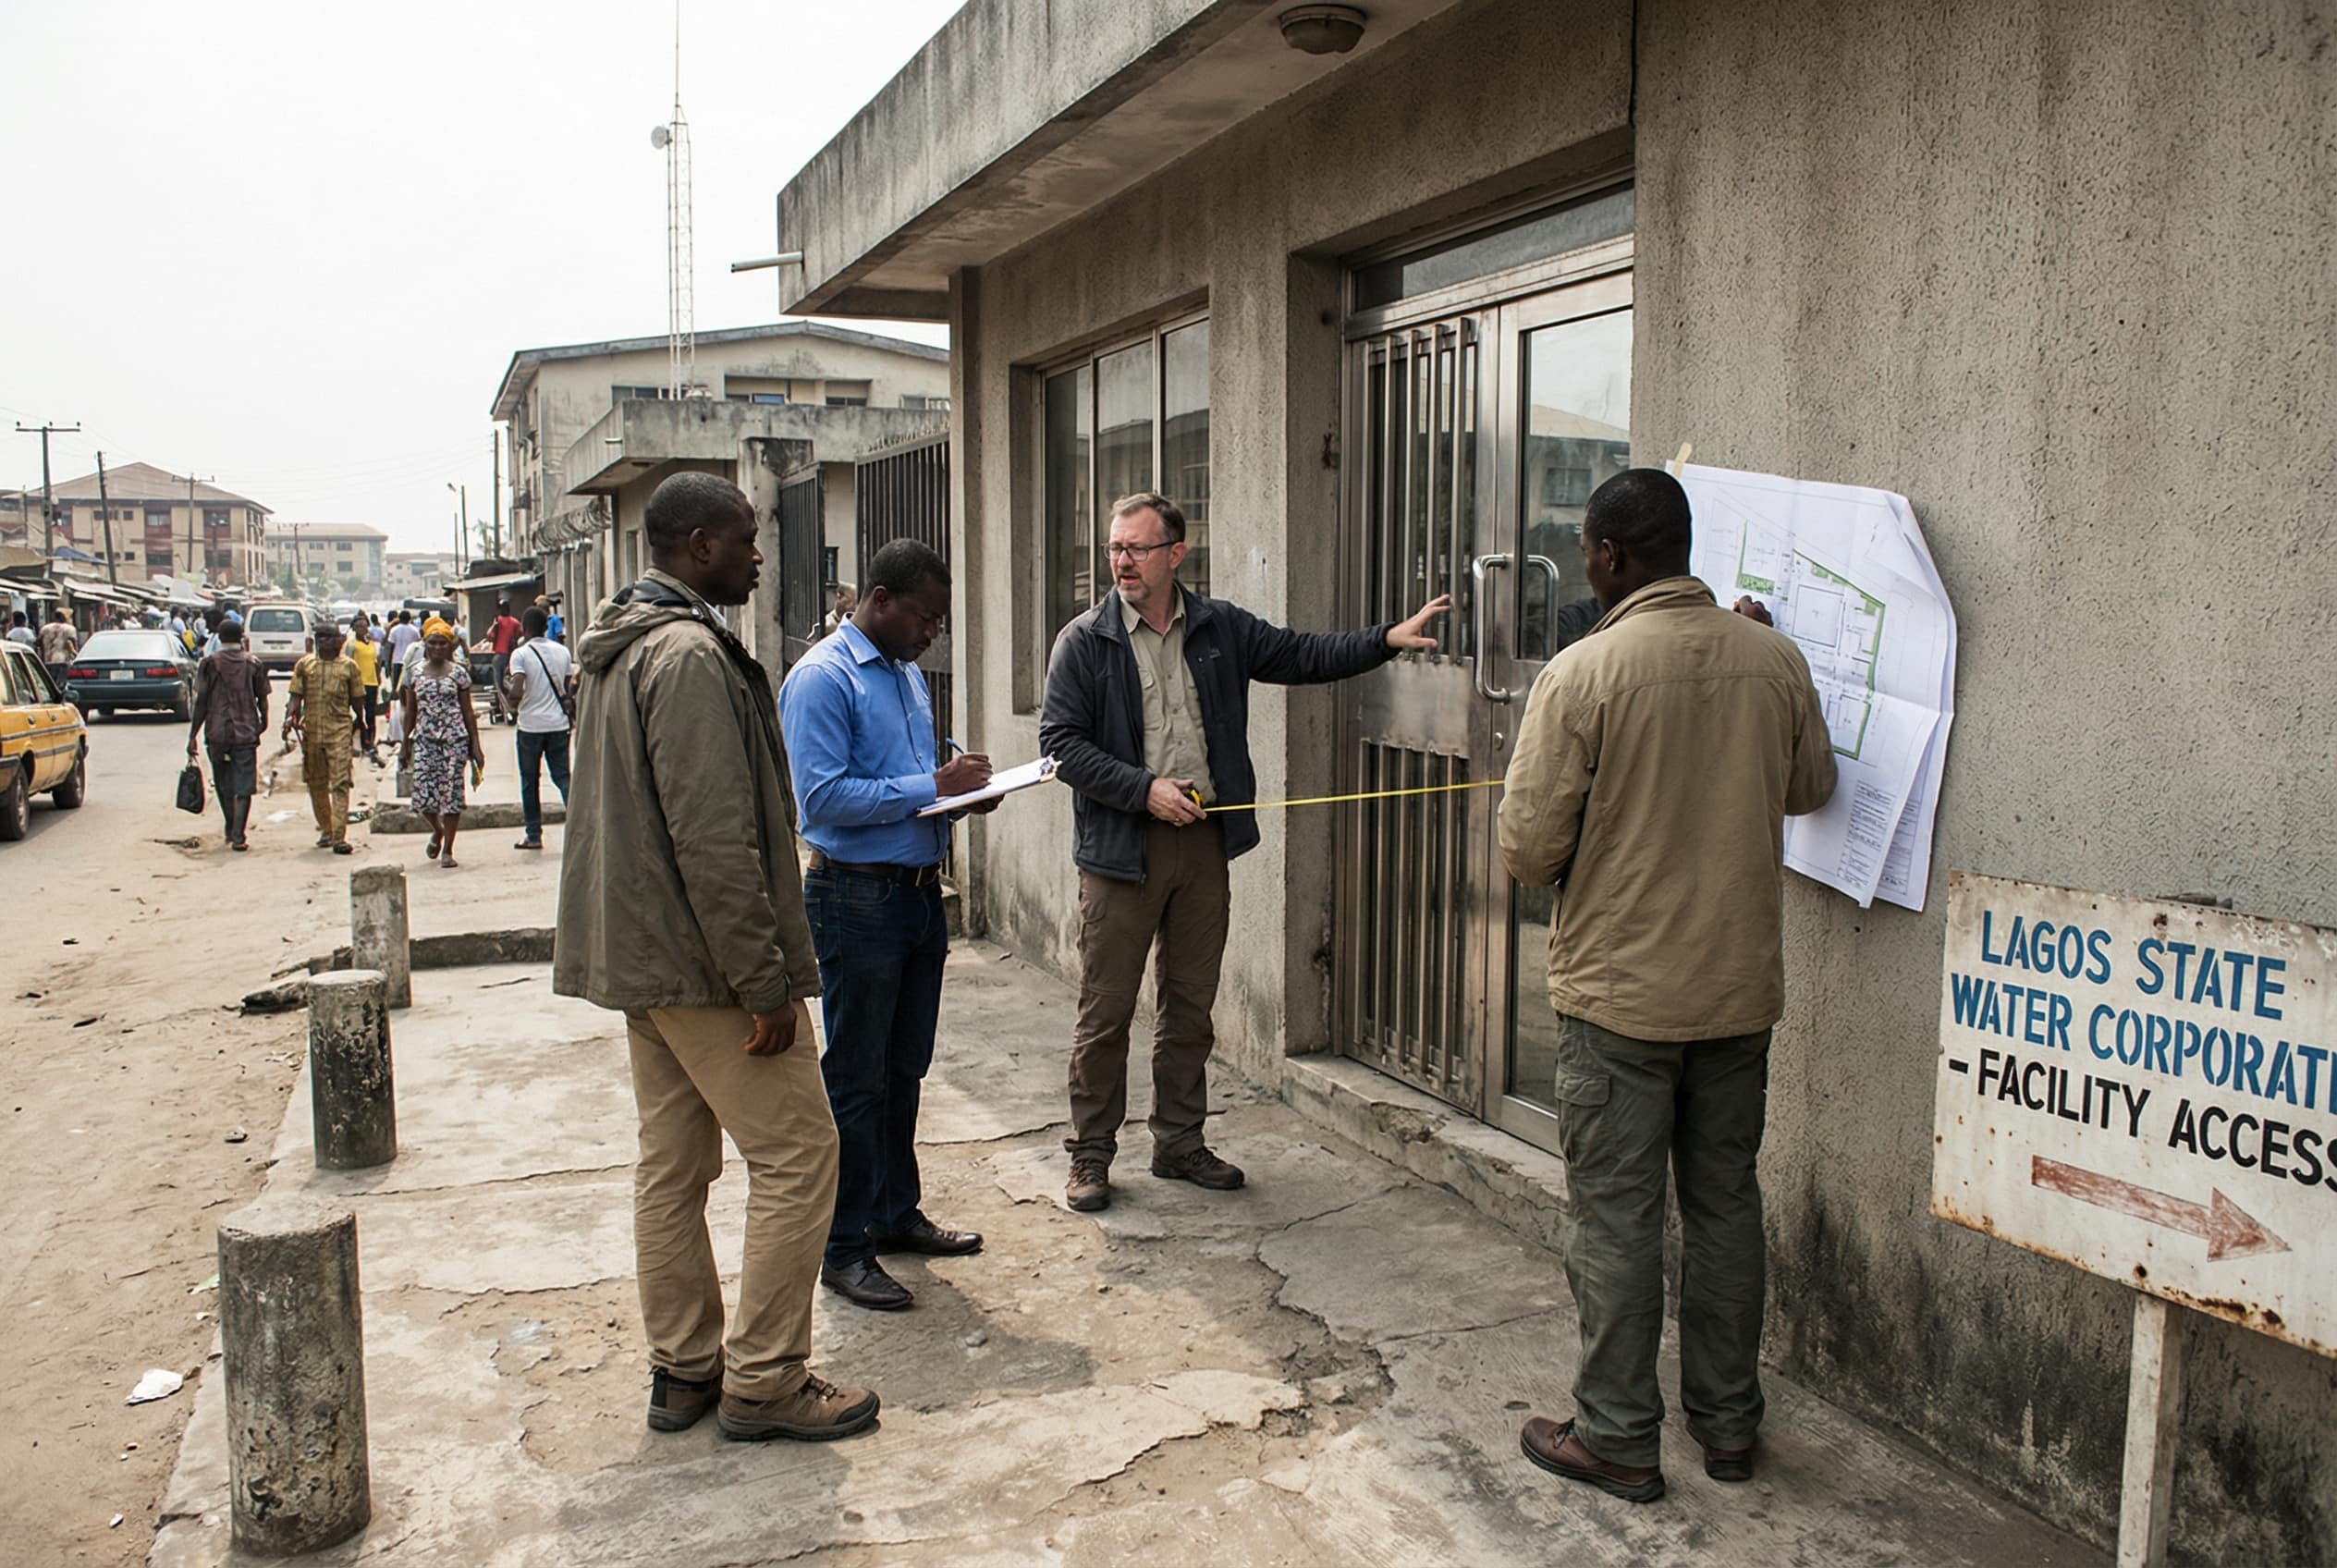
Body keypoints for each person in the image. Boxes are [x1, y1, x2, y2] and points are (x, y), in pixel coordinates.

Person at [1498, 468, 1837, 1505]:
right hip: (1736, 994)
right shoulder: (1769, 655)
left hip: (1619, 1000)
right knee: (1725, 1201)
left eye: (1588, 551)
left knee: (1615, 1216)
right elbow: (1809, 788)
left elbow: (1524, 846)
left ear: (1607, 556)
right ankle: (1728, 1427)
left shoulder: (1582, 672)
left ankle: (1615, 1437)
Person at [553, 470, 875, 1444]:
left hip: (642, 958)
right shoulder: (687, 655)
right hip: (699, 963)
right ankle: (766, 1378)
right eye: (744, 539)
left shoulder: (622, 644)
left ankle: (685, 1368)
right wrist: (763, 982)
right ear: (698, 545)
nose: (758, 554)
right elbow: (713, 839)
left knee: (673, 1163)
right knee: (800, 1153)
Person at [1039, 492, 1450, 1212]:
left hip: (1201, 843)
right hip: (1120, 854)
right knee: (1105, 1014)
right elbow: (1061, 747)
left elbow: (1301, 655)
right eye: (1113, 548)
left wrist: (1385, 639)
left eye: (1137, 549)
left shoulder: (1220, 627)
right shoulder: (1085, 641)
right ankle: (1091, 1155)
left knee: (1191, 1005)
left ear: (1175, 553)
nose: (1121, 562)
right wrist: (1143, 791)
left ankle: (1179, 1141)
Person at [777, 539, 992, 1313]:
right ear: (878, 599)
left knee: (906, 1067)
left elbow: (902, 789)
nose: (931, 633)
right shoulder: (821, 680)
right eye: (925, 618)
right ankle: (842, 1247)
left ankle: (895, 1214)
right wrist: (930, 785)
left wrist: (958, 796)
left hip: (914, 894)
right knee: (858, 1080)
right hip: (855, 898)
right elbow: (824, 799)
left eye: (937, 620)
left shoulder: (902, 675)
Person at [398, 619, 483, 868]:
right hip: (425, 741)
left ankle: (448, 849)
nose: (436, 647)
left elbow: (468, 712)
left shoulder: (458, 674)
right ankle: (438, 829)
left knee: (451, 795)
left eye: (441, 643)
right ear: (425, 644)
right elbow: (410, 712)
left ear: (449, 647)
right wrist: (405, 744)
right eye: (432, 643)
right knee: (423, 795)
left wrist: (475, 746)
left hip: (454, 741)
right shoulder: (415, 673)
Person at [187, 619, 270, 851]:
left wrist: (193, 734)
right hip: (245, 731)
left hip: (217, 732)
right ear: (242, 637)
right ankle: (239, 834)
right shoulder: (253, 664)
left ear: (220, 638)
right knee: (244, 784)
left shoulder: (209, 664)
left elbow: (201, 701)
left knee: (223, 782)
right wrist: (263, 721)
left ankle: (230, 825)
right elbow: (262, 697)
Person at [284, 623, 365, 856]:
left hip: (339, 730)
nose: (324, 641)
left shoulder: (349, 667)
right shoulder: (305, 665)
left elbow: (357, 699)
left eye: (329, 637)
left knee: (340, 782)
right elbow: (295, 697)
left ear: (339, 641)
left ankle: (339, 836)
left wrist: (362, 721)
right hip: (312, 732)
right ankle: (327, 830)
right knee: (316, 783)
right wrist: (290, 717)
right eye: (320, 637)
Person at [503, 606, 574, 851]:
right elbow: (567, 689)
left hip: (530, 727)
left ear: (524, 628)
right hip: (558, 725)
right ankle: (579, 830)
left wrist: (510, 696)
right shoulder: (562, 652)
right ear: (547, 627)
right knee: (563, 777)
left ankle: (533, 835)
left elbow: (517, 689)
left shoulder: (520, 654)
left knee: (530, 781)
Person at [347, 613, 382, 760]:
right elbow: (347, 664)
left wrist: (379, 678)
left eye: (364, 626)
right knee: (358, 715)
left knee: (370, 715)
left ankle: (369, 744)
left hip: (372, 683)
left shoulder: (372, 644)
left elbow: (375, 663)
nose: (362, 628)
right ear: (353, 628)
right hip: (357, 684)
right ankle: (351, 742)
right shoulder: (352, 644)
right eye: (358, 626)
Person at [488, 599, 524, 722]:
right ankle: (510, 707)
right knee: (510, 681)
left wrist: (494, 625)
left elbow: (489, 636)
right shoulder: (515, 622)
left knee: (498, 685)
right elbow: (520, 636)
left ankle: (504, 709)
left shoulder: (498, 621)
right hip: (511, 656)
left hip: (500, 655)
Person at [38, 607, 79, 692]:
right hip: (63, 660)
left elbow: (39, 643)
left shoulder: (45, 628)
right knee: (61, 685)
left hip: (47, 660)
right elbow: (73, 645)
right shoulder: (70, 629)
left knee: (49, 684)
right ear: (64, 617)